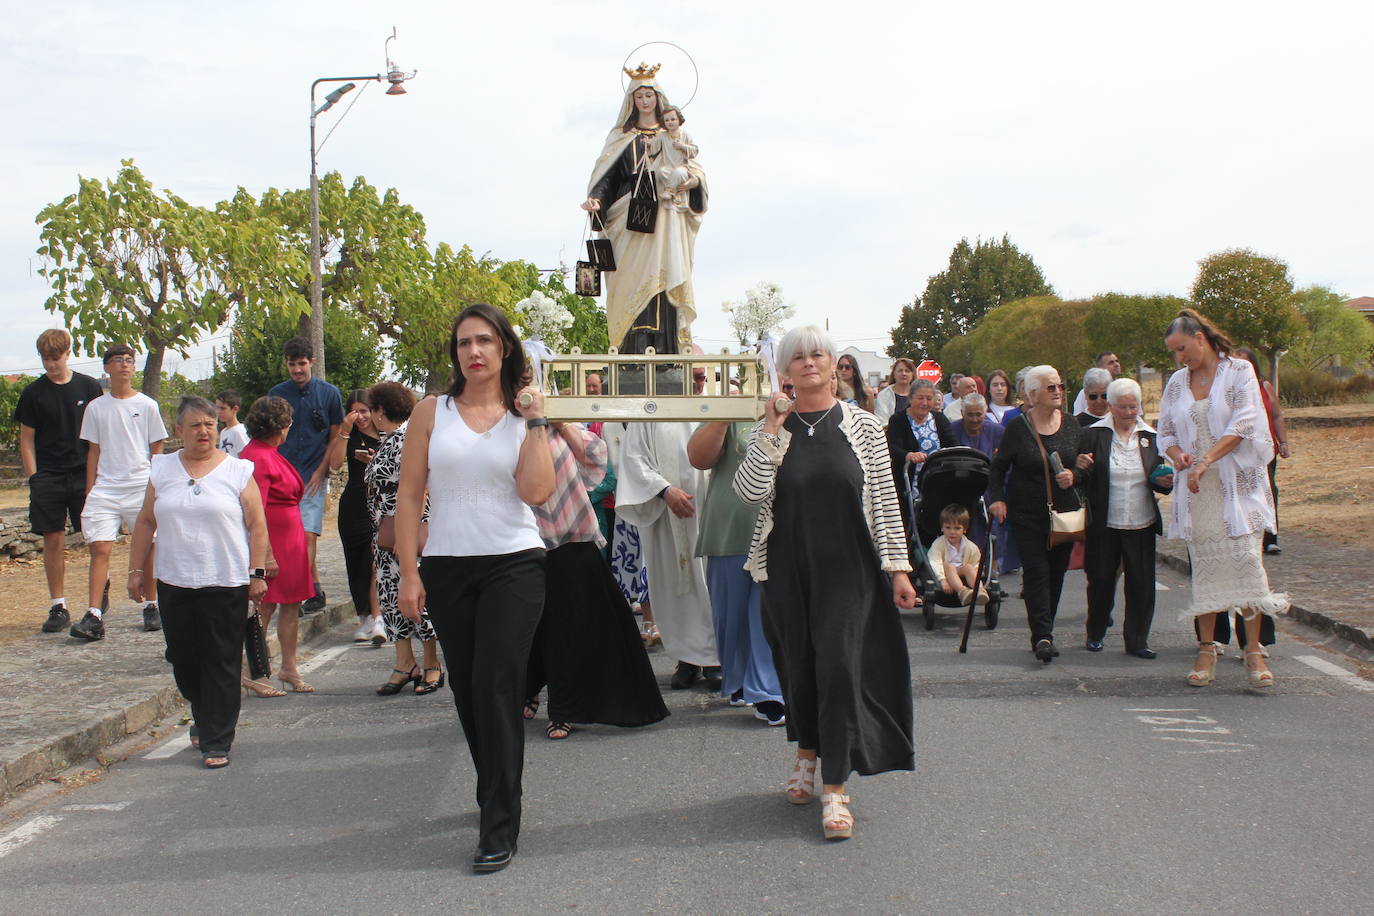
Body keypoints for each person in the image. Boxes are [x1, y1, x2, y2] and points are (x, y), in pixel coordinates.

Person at [733, 325, 916, 842]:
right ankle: (807, 753)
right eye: (798, 357)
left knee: (838, 667)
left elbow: (884, 501)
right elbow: (747, 496)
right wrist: (770, 431)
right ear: (786, 371)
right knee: (800, 666)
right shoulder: (773, 426)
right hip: (786, 568)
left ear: (835, 364)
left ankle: (835, 787)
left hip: (849, 570)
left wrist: (898, 568)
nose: (809, 363)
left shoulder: (863, 426)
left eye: (818, 355)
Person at [394, 303, 554, 873]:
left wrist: (535, 421)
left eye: (485, 341)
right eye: (464, 343)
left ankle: (498, 824)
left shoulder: (524, 416)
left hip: (515, 563)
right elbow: (410, 496)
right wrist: (409, 572)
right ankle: (495, 789)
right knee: (467, 691)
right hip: (448, 567)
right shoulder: (430, 412)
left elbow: (537, 492)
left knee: (496, 685)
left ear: (504, 348)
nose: (474, 352)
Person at [126, 397, 270, 769]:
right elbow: (145, 521)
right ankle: (203, 712)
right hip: (175, 580)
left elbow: (256, 526)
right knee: (184, 658)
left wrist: (256, 574)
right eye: (195, 425)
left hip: (225, 580)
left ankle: (217, 739)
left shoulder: (237, 471)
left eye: (209, 424)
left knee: (221, 660)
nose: (204, 431)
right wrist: (136, 570)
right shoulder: (161, 469)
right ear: (179, 431)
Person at [1158, 309, 1288, 688]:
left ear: (1200, 337)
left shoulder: (1239, 372)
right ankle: (1207, 648)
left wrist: (1207, 460)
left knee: (1246, 563)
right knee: (1208, 569)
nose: (1180, 357)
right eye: (1174, 352)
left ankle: (1253, 650)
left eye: (1182, 348)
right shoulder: (1178, 383)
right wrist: (1179, 455)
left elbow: (1246, 422)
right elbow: (1165, 431)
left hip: (1237, 487)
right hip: (1199, 493)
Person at [525, 418, 668, 739]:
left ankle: (563, 708)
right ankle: (527, 686)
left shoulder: (567, 427)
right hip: (520, 541)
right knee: (528, 625)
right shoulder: (504, 428)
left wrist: (562, 426)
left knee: (567, 627)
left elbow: (599, 467)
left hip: (572, 538)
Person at [581, 67, 708, 355]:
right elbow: (607, 179)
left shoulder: (674, 136)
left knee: (664, 280)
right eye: (639, 96)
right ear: (631, 100)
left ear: (658, 98)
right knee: (629, 284)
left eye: (650, 95)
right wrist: (596, 202)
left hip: (664, 218)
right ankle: (628, 351)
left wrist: (693, 182)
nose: (645, 102)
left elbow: (694, 171)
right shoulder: (621, 138)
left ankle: (666, 352)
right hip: (629, 221)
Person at [616, 364, 722, 690]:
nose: (696, 382)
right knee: (677, 585)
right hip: (668, 516)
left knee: (710, 586)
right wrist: (665, 491)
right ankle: (686, 658)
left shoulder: (717, 407)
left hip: (710, 514)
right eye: (690, 375)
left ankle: (715, 659)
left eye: (702, 376)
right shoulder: (653, 409)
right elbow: (634, 459)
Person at [688, 420, 786, 726]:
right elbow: (699, 458)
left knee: (767, 613)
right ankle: (739, 679)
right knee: (731, 614)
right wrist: (723, 415)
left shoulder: (801, 408)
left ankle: (768, 689)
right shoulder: (732, 408)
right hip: (731, 522)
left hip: (780, 524)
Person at [989, 365, 1084, 664]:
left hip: (1064, 515)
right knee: (1037, 573)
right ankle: (1042, 636)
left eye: (1059, 386)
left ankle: (1046, 628)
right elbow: (998, 466)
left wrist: (1074, 474)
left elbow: (1082, 465)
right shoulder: (1018, 428)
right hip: (1026, 515)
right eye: (1050, 387)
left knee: (1056, 574)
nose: (1057, 392)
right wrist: (998, 500)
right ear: (1032, 395)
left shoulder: (1071, 425)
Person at [72, 344, 168, 640]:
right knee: (99, 548)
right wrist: (91, 490)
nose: (125, 365)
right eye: (118, 360)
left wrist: (154, 486)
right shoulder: (96, 408)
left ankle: (152, 605)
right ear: (107, 368)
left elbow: (157, 448)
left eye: (129, 360)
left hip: (140, 485)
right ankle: (94, 615)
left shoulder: (148, 404)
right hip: (106, 488)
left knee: (148, 547)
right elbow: (93, 451)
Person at [15, 329, 105, 634]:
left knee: (95, 537)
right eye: (45, 359)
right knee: (52, 538)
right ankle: (59, 604)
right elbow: (26, 440)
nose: (50, 364)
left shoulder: (90, 387)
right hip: (49, 476)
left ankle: (97, 598)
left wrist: (99, 473)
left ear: (67, 353)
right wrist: (35, 477)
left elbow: (101, 436)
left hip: (84, 472)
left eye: (55, 357)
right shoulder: (32, 393)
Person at [1075, 377, 1172, 658]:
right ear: (1111, 406)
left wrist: (1165, 484)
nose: (1130, 413)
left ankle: (1138, 639)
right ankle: (1095, 632)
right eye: (1123, 407)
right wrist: (1079, 466)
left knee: (1141, 582)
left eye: (1134, 407)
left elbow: (1159, 475)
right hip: (1105, 521)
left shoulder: (1152, 437)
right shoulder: (1093, 434)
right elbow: (1080, 475)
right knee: (1101, 578)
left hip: (1141, 521)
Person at [363, 382, 443, 696]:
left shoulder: (407, 438)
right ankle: (404, 662)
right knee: (391, 600)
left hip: (403, 533)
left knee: (417, 602)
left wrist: (407, 532)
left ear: (381, 411)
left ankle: (432, 664)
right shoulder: (391, 439)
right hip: (385, 534)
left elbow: (420, 487)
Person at [240, 396, 315, 695]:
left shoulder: (269, 452)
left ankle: (289, 666)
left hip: (290, 538)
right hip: (273, 540)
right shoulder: (257, 457)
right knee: (264, 606)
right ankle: (255, 671)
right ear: (280, 426)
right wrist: (265, 554)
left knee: (290, 604)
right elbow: (254, 509)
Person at [268, 336, 343, 615]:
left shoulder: (329, 394)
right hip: (283, 475)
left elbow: (334, 435)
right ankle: (314, 587)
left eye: (301, 364)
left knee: (308, 535)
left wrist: (321, 471)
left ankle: (298, 592)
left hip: (313, 475)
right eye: (292, 364)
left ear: (312, 361)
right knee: (290, 537)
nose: (297, 370)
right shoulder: (276, 393)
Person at [328, 388, 385, 646]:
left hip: (380, 503)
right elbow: (335, 464)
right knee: (355, 563)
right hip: (353, 504)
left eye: (364, 411)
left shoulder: (387, 436)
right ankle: (363, 618)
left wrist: (375, 459)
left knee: (375, 559)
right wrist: (345, 429)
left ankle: (378, 617)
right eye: (355, 411)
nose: (360, 416)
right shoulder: (349, 436)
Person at [1234, 347, 1291, 555]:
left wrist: (1283, 441)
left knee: (1268, 489)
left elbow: (1276, 415)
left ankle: (1270, 537)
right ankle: (1247, 534)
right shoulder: (1228, 390)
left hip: (1265, 449)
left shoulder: (1264, 386)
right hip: (1237, 451)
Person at [886, 378, 956, 537]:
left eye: (929, 399)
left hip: (936, 481)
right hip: (909, 484)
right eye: (920, 398)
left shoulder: (939, 419)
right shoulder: (898, 420)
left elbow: (953, 443)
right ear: (910, 399)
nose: (925, 403)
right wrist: (908, 455)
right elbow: (892, 447)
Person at [927, 504, 989, 606]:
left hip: (962, 571)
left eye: (957, 528)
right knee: (949, 566)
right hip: (946, 572)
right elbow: (935, 561)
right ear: (942, 528)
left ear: (964, 529)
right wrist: (942, 580)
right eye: (948, 527)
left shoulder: (970, 546)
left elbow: (976, 561)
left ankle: (980, 590)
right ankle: (962, 591)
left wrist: (977, 571)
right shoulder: (938, 544)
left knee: (969, 567)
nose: (952, 532)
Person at [652, 105, 700, 210]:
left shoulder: (685, 134)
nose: (670, 122)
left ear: (679, 119)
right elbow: (654, 149)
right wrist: (648, 144)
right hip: (668, 168)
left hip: (682, 168)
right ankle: (674, 194)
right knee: (661, 171)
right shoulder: (662, 136)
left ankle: (669, 193)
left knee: (678, 173)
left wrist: (682, 146)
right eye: (667, 120)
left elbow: (695, 151)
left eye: (673, 119)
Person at [951, 393, 1004, 458]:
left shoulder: (997, 431)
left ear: (985, 413)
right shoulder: (951, 431)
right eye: (970, 415)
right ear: (962, 413)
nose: (974, 420)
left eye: (978, 414)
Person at [215, 389, 250, 458]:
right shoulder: (223, 431)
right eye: (217, 408)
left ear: (235, 409)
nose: (218, 412)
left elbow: (245, 457)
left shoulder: (239, 431)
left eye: (223, 408)